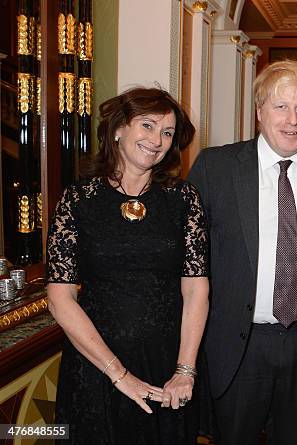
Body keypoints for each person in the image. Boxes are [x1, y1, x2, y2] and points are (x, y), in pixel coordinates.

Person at [188, 60, 297, 445]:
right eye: (280, 106)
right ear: (259, 112)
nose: (291, 120)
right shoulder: (216, 167)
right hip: (239, 341)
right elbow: (186, 256)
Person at [46, 87, 209, 444]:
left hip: (168, 365)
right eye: (147, 126)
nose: (158, 140)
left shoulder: (183, 199)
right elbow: (60, 299)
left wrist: (185, 370)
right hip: (95, 366)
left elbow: (196, 288)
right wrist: (118, 374)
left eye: (167, 133)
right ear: (118, 129)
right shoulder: (78, 200)